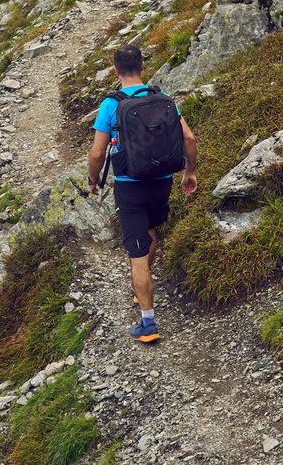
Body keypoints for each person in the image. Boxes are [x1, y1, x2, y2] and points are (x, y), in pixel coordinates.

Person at [87, 44, 198, 343]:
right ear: (143, 66)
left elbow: (98, 152)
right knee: (149, 232)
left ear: (115, 70)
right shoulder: (162, 99)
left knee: (136, 251)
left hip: (129, 185)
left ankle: (147, 323)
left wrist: (92, 179)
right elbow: (188, 136)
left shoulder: (111, 105)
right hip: (162, 180)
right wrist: (190, 171)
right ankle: (142, 288)